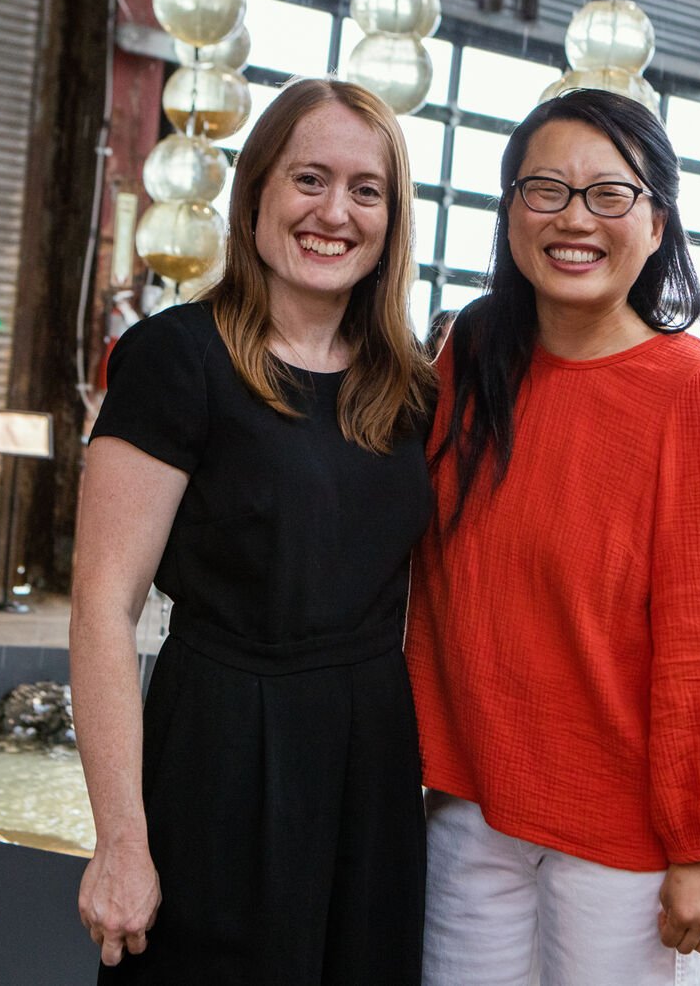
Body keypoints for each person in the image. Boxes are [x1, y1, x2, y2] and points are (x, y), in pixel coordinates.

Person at [406, 88, 700, 986]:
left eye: (610, 194)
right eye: (546, 190)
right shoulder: (467, 360)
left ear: (657, 224)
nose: (575, 218)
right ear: (509, 214)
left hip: (627, 841)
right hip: (469, 810)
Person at [71, 78, 435, 984]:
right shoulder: (175, 359)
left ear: (393, 218)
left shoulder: (410, 388)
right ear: (258, 191)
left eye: (366, 189)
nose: (334, 213)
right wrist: (121, 840)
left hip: (371, 762)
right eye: (309, 179)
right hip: (223, 750)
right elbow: (102, 608)